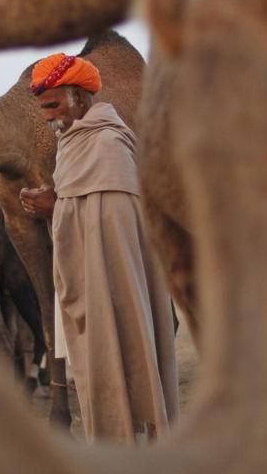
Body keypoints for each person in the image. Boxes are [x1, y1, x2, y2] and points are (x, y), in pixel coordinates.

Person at [20, 52, 178, 443]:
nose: (46, 115)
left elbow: (112, 224)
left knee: (125, 356)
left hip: (113, 280)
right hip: (89, 275)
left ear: (79, 97)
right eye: (42, 107)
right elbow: (84, 207)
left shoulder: (108, 144)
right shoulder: (74, 144)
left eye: (53, 104)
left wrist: (54, 207)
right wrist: (59, 201)